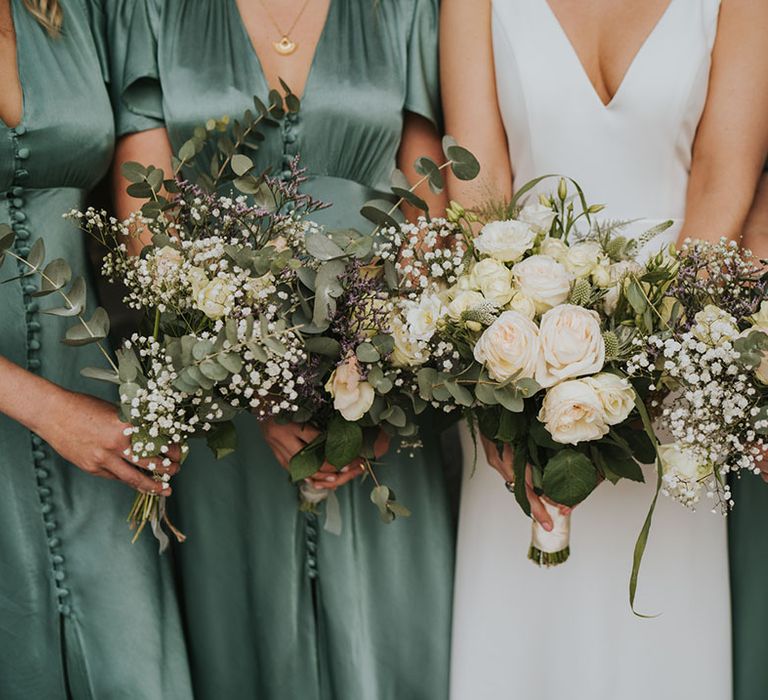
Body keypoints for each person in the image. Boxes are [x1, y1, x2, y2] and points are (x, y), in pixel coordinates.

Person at [110, 1, 456, 698]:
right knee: (245, 635)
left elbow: (428, 209)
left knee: (393, 637)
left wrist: (380, 384)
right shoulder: (147, 11)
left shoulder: (405, 10)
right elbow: (147, 225)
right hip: (221, 386)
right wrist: (252, 376)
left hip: (379, 378)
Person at [441, 0, 768, 698]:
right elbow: (477, 186)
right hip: (517, 371)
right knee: (521, 636)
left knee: (662, 637)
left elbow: (723, 175)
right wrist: (518, 371)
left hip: (675, 386)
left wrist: (653, 365)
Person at [0, 1, 192, 697]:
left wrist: (221, 340)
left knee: (137, 671)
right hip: (61, 416)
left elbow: (152, 210)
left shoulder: (88, 10)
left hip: (101, 422)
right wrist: (49, 411)